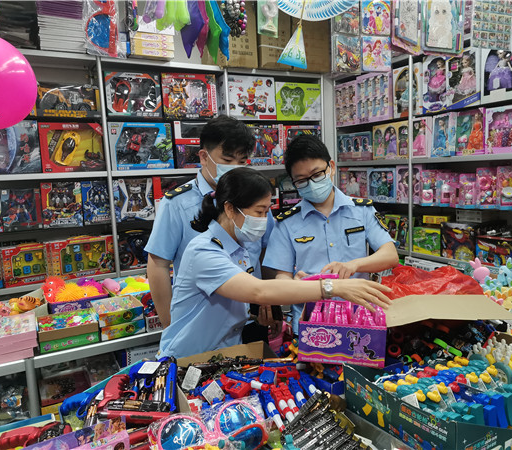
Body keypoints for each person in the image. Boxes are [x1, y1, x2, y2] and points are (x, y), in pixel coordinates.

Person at [159, 168, 392, 358]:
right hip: (188, 358)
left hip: (225, 352)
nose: (264, 220)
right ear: (229, 209)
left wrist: (300, 286)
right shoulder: (204, 251)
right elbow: (258, 291)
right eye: (259, 212)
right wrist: (332, 287)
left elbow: (239, 298)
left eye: (267, 212)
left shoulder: (239, 247)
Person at [145, 115, 275, 330]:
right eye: (227, 160)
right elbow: (158, 264)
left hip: (252, 319)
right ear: (204, 157)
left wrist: (272, 306)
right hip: (202, 325)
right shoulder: (177, 203)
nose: (235, 168)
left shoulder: (255, 199)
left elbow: (265, 252)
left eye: (242, 162)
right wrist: (171, 326)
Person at [262, 136, 399, 332]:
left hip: (358, 321)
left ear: (331, 167)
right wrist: (295, 284)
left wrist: (354, 265)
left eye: (317, 174)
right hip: (310, 324)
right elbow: (281, 277)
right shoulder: (286, 223)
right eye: (301, 180)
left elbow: (390, 255)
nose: (311, 184)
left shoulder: (361, 210)